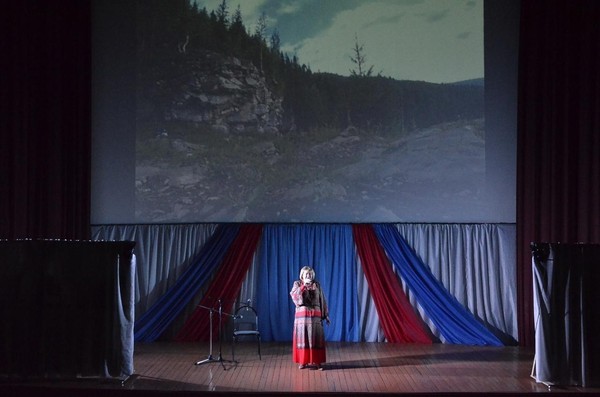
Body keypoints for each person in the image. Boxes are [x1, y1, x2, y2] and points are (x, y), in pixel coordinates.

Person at [290, 266, 330, 370]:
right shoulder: (297, 284)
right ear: (302, 275)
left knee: (316, 339)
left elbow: (322, 299)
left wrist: (325, 315)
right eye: (306, 274)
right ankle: (303, 362)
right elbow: (294, 296)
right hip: (302, 318)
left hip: (315, 317)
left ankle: (317, 362)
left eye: (310, 274)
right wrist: (303, 287)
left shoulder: (317, 285)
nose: (309, 276)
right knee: (303, 339)